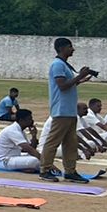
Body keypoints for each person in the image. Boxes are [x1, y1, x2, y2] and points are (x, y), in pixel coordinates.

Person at [43, 37, 96, 183]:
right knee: (53, 142)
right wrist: (80, 76)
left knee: (70, 143)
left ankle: (70, 171)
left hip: (69, 110)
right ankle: (45, 169)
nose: (73, 49)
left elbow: (68, 85)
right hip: (61, 110)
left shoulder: (63, 65)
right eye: (70, 47)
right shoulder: (57, 65)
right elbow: (62, 85)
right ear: (61, 48)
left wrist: (80, 80)